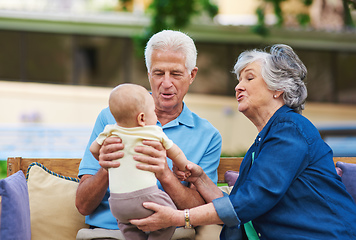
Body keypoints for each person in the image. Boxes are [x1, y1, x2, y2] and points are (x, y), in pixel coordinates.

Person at [129, 44, 356, 239]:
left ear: (277, 88)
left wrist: (179, 217)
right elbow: (238, 206)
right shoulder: (265, 140)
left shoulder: (290, 130)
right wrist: (201, 180)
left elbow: (250, 202)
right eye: (238, 80)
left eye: (249, 77)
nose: (238, 86)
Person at [75, 30, 222, 233]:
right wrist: (107, 168)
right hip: (108, 233)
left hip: (169, 235)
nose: (166, 83)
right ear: (148, 74)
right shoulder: (110, 118)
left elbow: (199, 211)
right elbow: (83, 205)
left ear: (192, 75)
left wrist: (165, 174)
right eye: (159, 73)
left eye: (176, 74)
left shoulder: (208, 136)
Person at [89, 83, 191, 240]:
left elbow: (94, 150)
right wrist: (183, 166)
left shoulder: (110, 130)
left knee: (126, 225)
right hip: (146, 198)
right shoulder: (153, 132)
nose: (156, 117)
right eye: (154, 113)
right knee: (172, 218)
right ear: (142, 118)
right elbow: (175, 151)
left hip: (117, 204)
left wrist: (104, 162)